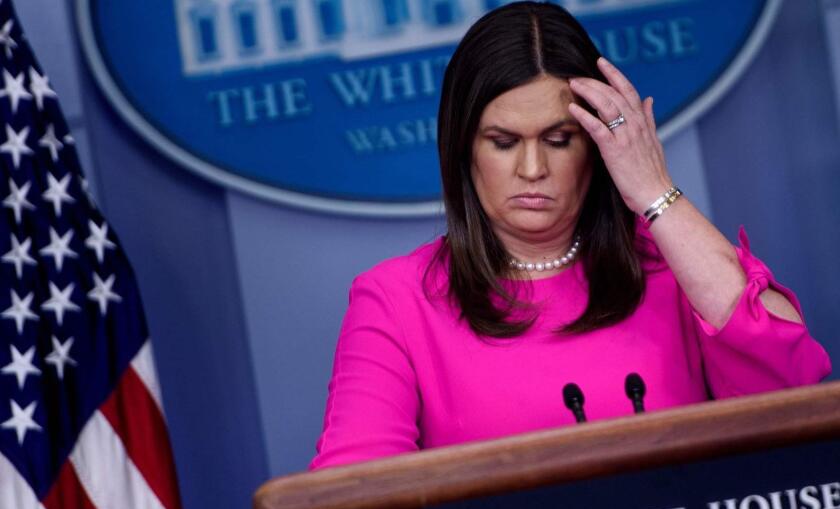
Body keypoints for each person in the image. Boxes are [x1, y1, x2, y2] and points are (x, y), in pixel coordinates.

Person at [308, 2, 831, 470]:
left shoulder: (676, 266)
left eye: (559, 140)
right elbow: (351, 499)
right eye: (504, 141)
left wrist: (654, 189)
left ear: (598, 146)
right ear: (463, 147)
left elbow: (792, 385)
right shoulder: (397, 301)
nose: (533, 168)